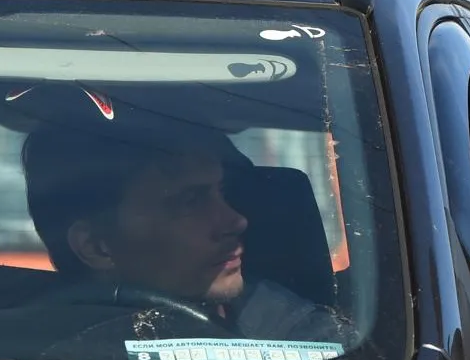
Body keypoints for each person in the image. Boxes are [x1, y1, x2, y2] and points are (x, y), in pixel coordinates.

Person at [20, 120, 348, 346]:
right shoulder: (17, 352)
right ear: (96, 247)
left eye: (222, 193)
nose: (236, 221)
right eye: (191, 201)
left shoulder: (307, 345)